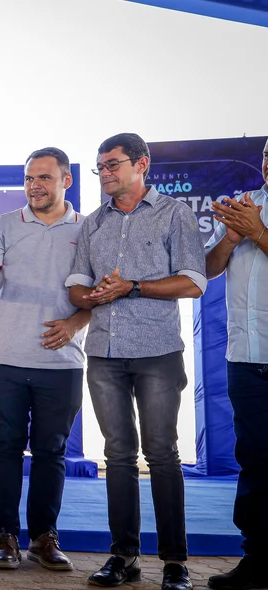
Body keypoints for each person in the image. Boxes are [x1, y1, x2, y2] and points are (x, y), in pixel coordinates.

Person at [66, 133, 206, 590]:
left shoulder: (174, 214)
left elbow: (193, 282)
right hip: (104, 352)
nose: (105, 173)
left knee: (162, 455)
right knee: (118, 456)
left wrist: (133, 287)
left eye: (113, 164)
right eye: (100, 167)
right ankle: (123, 557)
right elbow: (76, 286)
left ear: (141, 164)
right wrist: (92, 295)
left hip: (158, 353)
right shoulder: (92, 223)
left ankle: (174, 563)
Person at [0, 147, 88, 572]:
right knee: (5, 448)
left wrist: (75, 323)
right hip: (5, 357)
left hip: (62, 363)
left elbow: (99, 293)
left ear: (66, 180)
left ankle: (43, 537)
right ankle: (5, 536)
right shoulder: (4, 225)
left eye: (44, 178)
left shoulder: (89, 229)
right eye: (28, 179)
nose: (34, 186)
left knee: (51, 452)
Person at [203, 139, 268, 590]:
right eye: (267, 154)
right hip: (245, 357)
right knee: (256, 461)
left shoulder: (254, 216)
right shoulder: (246, 206)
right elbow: (208, 269)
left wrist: (259, 232)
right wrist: (230, 237)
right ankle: (258, 559)